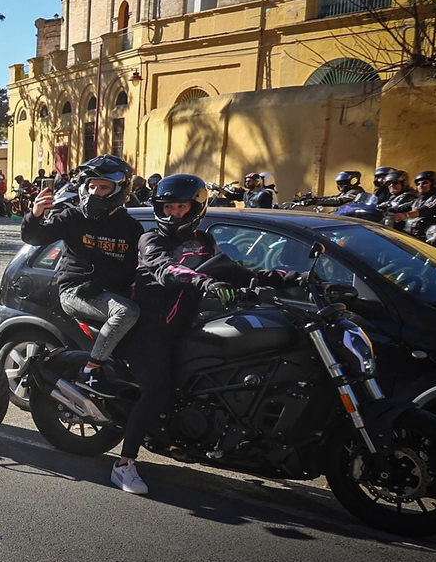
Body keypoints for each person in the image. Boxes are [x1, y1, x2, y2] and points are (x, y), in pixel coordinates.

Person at [119, 175, 300, 495]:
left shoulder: (204, 242)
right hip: (147, 331)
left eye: (181, 206)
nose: (173, 213)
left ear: (196, 208)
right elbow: (166, 270)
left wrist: (293, 279)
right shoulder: (151, 241)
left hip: (184, 328)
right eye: (168, 207)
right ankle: (125, 464)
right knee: (157, 391)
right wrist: (205, 283)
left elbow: (237, 271)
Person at [21, 155, 143, 396]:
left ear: (119, 190)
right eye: (92, 185)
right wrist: (34, 215)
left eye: (104, 187)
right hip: (75, 291)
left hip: (105, 291)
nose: (96, 191)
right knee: (127, 312)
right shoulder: (73, 217)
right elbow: (34, 238)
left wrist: (102, 284)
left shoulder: (130, 227)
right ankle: (91, 371)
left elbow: (130, 269)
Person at [386, 170, 436, 235]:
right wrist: (387, 209)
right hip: (413, 233)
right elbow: (404, 207)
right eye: (418, 184)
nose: (420, 186)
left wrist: (405, 215)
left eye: (425, 183)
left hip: (430, 235)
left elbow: (426, 209)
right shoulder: (420, 199)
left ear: (434, 184)